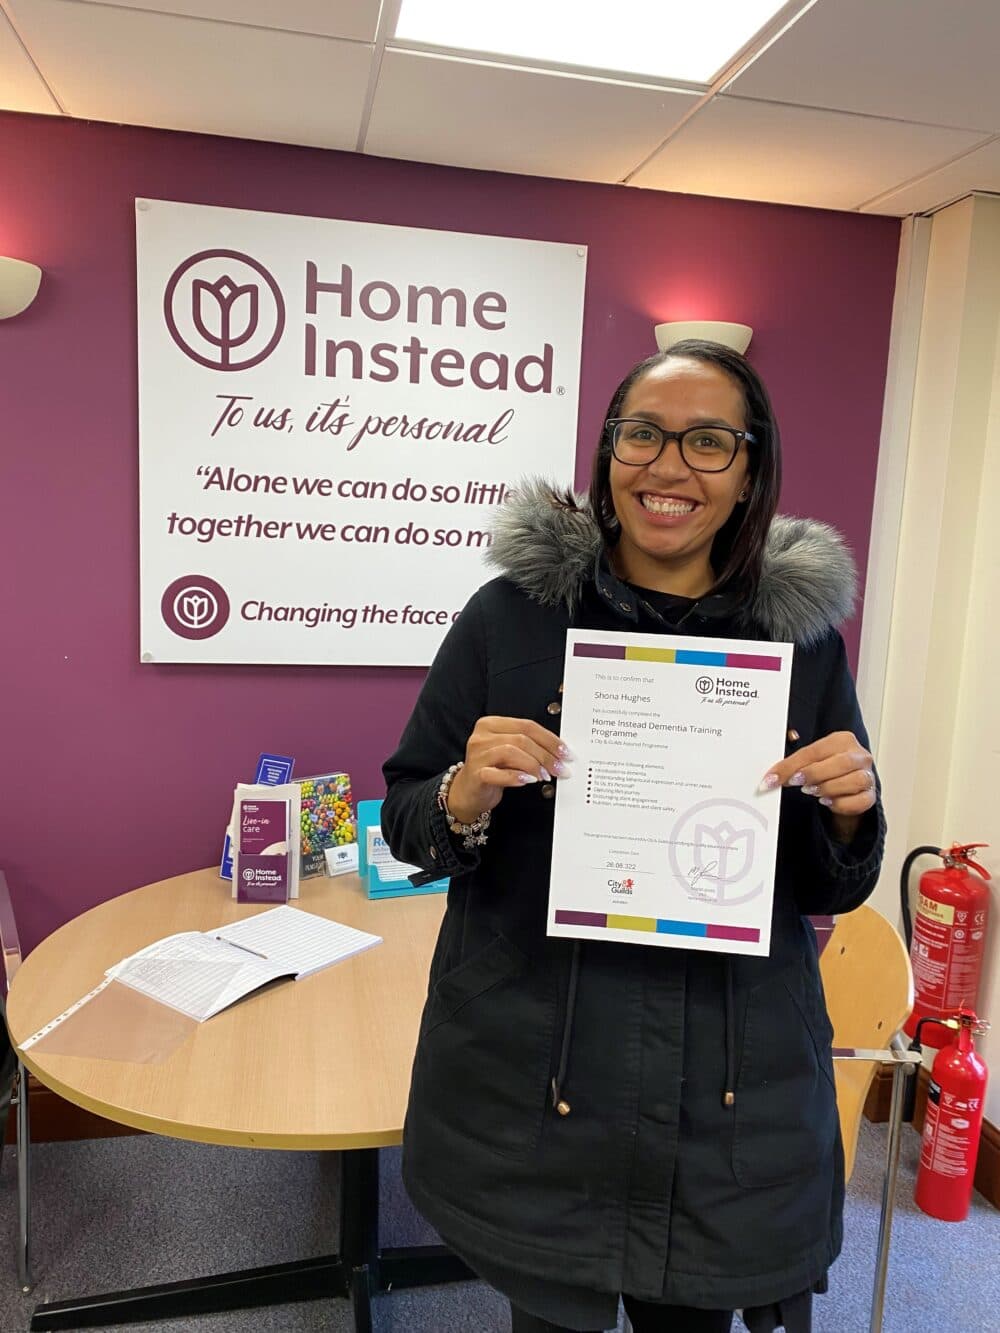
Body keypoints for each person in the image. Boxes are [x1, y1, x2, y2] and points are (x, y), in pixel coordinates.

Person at [381, 341, 884, 1333]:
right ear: (608, 451)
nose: (667, 467)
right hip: (541, 1065)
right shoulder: (507, 619)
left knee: (690, 1311)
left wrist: (849, 808)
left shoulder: (802, 641)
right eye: (641, 435)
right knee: (552, 1315)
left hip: (727, 1078)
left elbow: (831, 885)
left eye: (707, 442)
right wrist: (462, 792)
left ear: (749, 471)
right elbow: (406, 819)